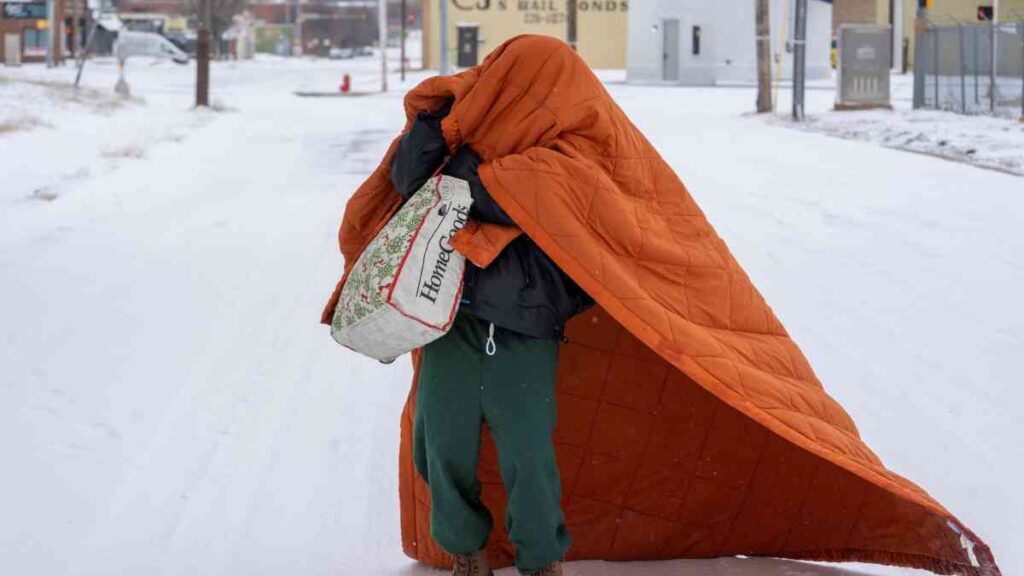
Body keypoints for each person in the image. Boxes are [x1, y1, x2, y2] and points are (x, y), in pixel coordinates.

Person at [389, 99, 592, 576]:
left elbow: (509, 198)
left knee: (528, 452)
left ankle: (542, 559)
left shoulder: (558, 148)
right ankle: (466, 550)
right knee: (438, 442)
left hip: (525, 326)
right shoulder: (456, 135)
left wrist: (458, 179)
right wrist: (435, 121)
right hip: (454, 321)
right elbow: (408, 182)